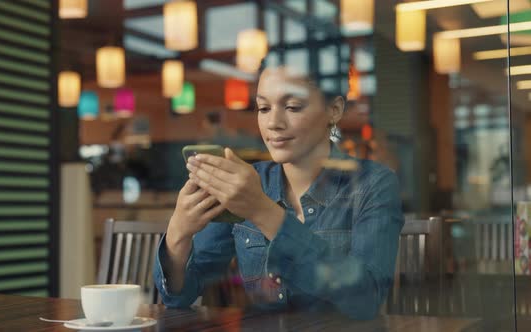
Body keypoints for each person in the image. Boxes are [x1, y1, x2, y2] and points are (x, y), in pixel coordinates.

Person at [153, 65, 404, 320]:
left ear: (334, 110)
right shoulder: (250, 181)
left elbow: (366, 300)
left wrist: (262, 211)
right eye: (263, 108)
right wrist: (178, 233)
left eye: (293, 106)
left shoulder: (374, 184)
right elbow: (179, 297)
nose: (273, 123)